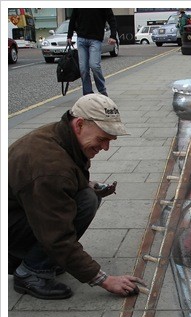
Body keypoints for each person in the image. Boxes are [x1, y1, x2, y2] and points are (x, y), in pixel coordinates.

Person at [8, 94, 142, 300]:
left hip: (18, 214)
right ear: (79, 124)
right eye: (102, 138)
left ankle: (40, 258)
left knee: (88, 195)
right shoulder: (50, 167)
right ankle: (31, 271)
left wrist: (87, 184)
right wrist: (104, 280)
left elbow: (63, 183)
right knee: (86, 202)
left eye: (110, 140)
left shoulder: (62, 135)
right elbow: (57, 235)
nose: (105, 147)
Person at [67, 8, 117, 97]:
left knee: (94, 65)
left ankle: (102, 91)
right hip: (81, 39)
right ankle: (87, 93)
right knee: (83, 69)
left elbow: (111, 19)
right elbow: (73, 19)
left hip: (96, 39)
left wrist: (113, 36)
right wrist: (69, 35)